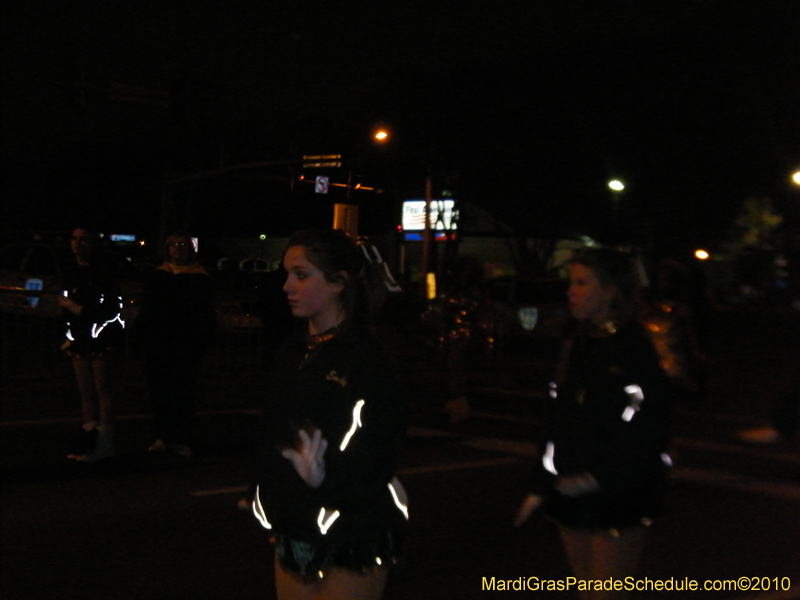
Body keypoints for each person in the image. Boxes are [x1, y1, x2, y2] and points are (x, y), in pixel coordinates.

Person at [252, 229, 408, 600]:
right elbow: (272, 431)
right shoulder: (292, 350)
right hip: (294, 528)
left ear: (338, 283)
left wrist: (325, 481)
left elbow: (379, 447)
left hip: (351, 530)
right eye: (287, 274)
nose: (287, 285)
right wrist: (266, 494)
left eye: (301, 275)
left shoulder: (367, 358)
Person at [515, 248, 673, 600]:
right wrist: (541, 484)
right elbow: (556, 417)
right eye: (572, 282)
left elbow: (646, 428)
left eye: (583, 283)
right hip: (570, 489)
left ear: (611, 289)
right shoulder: (576, 342)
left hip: (617, 495)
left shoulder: (635, 347)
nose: (571, 291)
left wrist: (598, 478)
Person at [132, 232, 216, 458]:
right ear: (167, 249)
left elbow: (205, 316)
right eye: (174, 245)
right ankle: (163, 436)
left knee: (182, 392)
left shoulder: (200, 278)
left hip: (184, 346)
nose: (178, 249)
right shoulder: (158, 276)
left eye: (182, 245)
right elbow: (147, 311)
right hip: (158, 345)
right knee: (159, 392)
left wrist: (199, 343)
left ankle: (183, 438)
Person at [59, 226, 125, 462]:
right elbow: (64, 303)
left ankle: (105, 441)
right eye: (74, 239)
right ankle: (88, 437)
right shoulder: (70, 270)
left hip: (101, 336)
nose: (77, 244)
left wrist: (79, 310)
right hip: (79, 337)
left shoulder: (103, 271)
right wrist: (69, 334)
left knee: (103, 388)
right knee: (86, 391)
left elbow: (111, 307)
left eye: (84, 239)